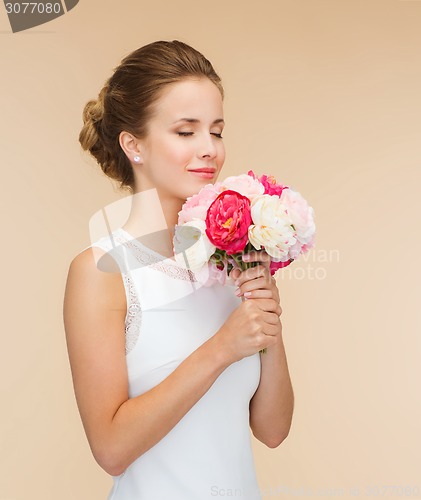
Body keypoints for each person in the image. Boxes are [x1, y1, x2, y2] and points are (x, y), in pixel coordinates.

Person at [63, 40, 294, 500]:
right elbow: (111, 449)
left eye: (217, 130)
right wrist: (223, 347)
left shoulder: (233, 260)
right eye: (186, 132)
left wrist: (267, 319)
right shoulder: (103, 272)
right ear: (134, 145)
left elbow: (273, 429)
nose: (209, 149)